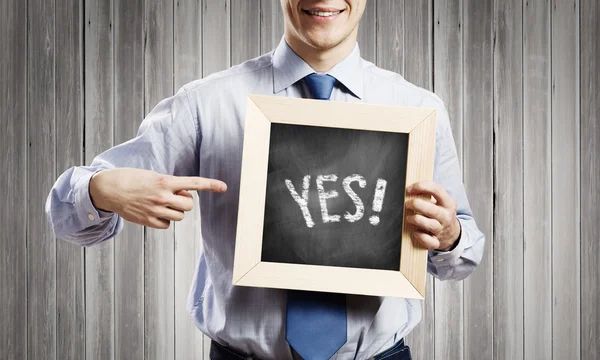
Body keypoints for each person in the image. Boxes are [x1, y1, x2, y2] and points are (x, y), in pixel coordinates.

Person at [45, 0, 485, 359]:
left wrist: (449, 234)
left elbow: (465, 256)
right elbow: (68, 217)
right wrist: (102, 191)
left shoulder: (415, 110)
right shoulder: (206, 105)